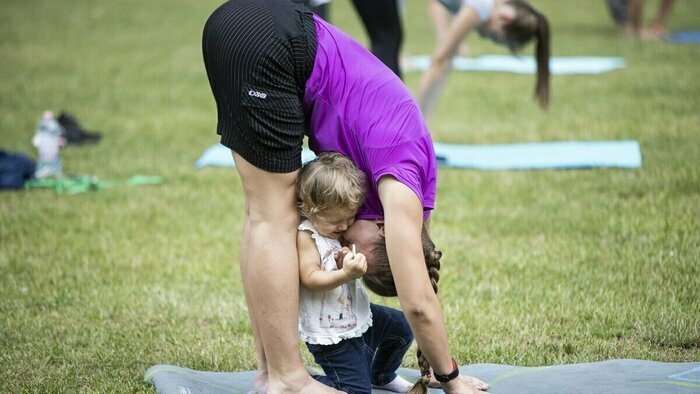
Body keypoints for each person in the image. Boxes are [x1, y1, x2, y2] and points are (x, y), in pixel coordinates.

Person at [202, 0, 490, 392]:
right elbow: (419, 301)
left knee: (262, 213)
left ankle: (270, 374)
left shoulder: (404, 186)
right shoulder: (403, 181)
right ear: (384, 227)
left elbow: (420, 248)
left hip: (248, 24)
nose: (340, 245)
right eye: (354, 246)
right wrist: (449, 378)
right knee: (274, 215)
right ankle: (288, 379)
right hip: (274, 40)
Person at [296, 152, 415, 393]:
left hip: (356, 316)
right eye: (336, 222)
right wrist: (345, 274)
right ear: (311, 210)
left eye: (349, 219)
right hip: (330, 334)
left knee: (402, 327)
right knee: (356, 391)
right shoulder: (307, 236)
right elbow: (309, 279)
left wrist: (345, 264)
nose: (343, 227)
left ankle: (381, 374)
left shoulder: (333, 231)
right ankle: (297, 381)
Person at [416, 0, 551, 122]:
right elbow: (439, 61)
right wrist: (416, 125)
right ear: (505, 17)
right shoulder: (481, 7)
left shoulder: (490, 6)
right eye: (493, 36)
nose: (484, 35)